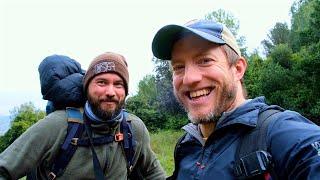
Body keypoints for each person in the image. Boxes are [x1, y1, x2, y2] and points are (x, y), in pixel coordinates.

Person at [151, 19, 320, 179]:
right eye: (179, 67)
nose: (189, 78)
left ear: (238, 69)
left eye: (205, 60)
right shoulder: (186, 146)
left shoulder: (281, 134)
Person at [0, 52, 166, 180]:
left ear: (125, 91)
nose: (110, 92)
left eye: (118, 84)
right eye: (101, 82)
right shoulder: (57, 126)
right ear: (87, 87)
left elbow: (152, 172)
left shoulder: (133, 128)